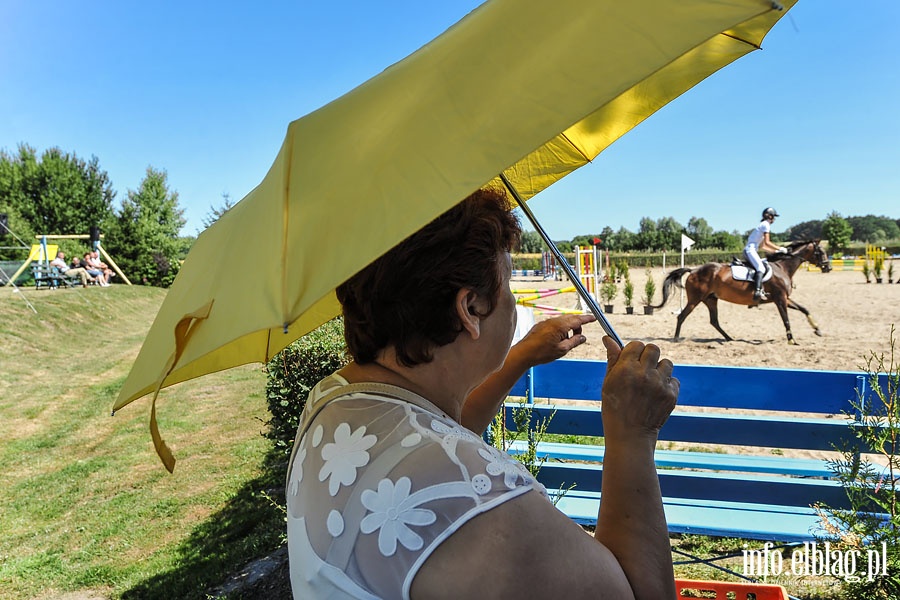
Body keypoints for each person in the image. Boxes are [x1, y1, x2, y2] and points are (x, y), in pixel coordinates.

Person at [286, 187, 680, 599]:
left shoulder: (334, 399)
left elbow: (430, 438)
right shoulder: (481, 505)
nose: (510, 299)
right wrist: (632, 434)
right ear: (471, 308)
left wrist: (519, 356)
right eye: (507, 284)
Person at [743, 207, 787, 301]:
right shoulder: (766, 225)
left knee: (764, 265)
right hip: (750, 250)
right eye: (774, 217)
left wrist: (776, 252)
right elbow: (767, 242)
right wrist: (780, 248)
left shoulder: (762, 225)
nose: (774, 219)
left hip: (752, 250)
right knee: (761, 268)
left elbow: (763, 246)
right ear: (769, 216)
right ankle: (757, 291)